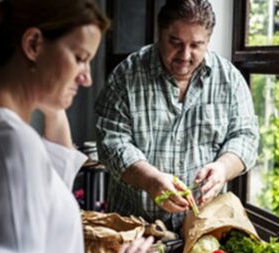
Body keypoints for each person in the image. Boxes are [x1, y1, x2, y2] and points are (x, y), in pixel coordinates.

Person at [0, 1, 159, 253]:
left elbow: (49, 185)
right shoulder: (9, 143)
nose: (87, 78)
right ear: (34, 44)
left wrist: (54, 106)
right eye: (80, 59)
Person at [95, 0, 259, 232]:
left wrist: (223, 168)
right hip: (134, 228)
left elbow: (246, 136)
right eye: (175, 42)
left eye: (196, 45)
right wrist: (151, 180)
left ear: (208, 41)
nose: (185, 54)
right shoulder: (126, 75)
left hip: (206, 229)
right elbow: (111, 142)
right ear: (159, 34)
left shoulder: (229, 80)